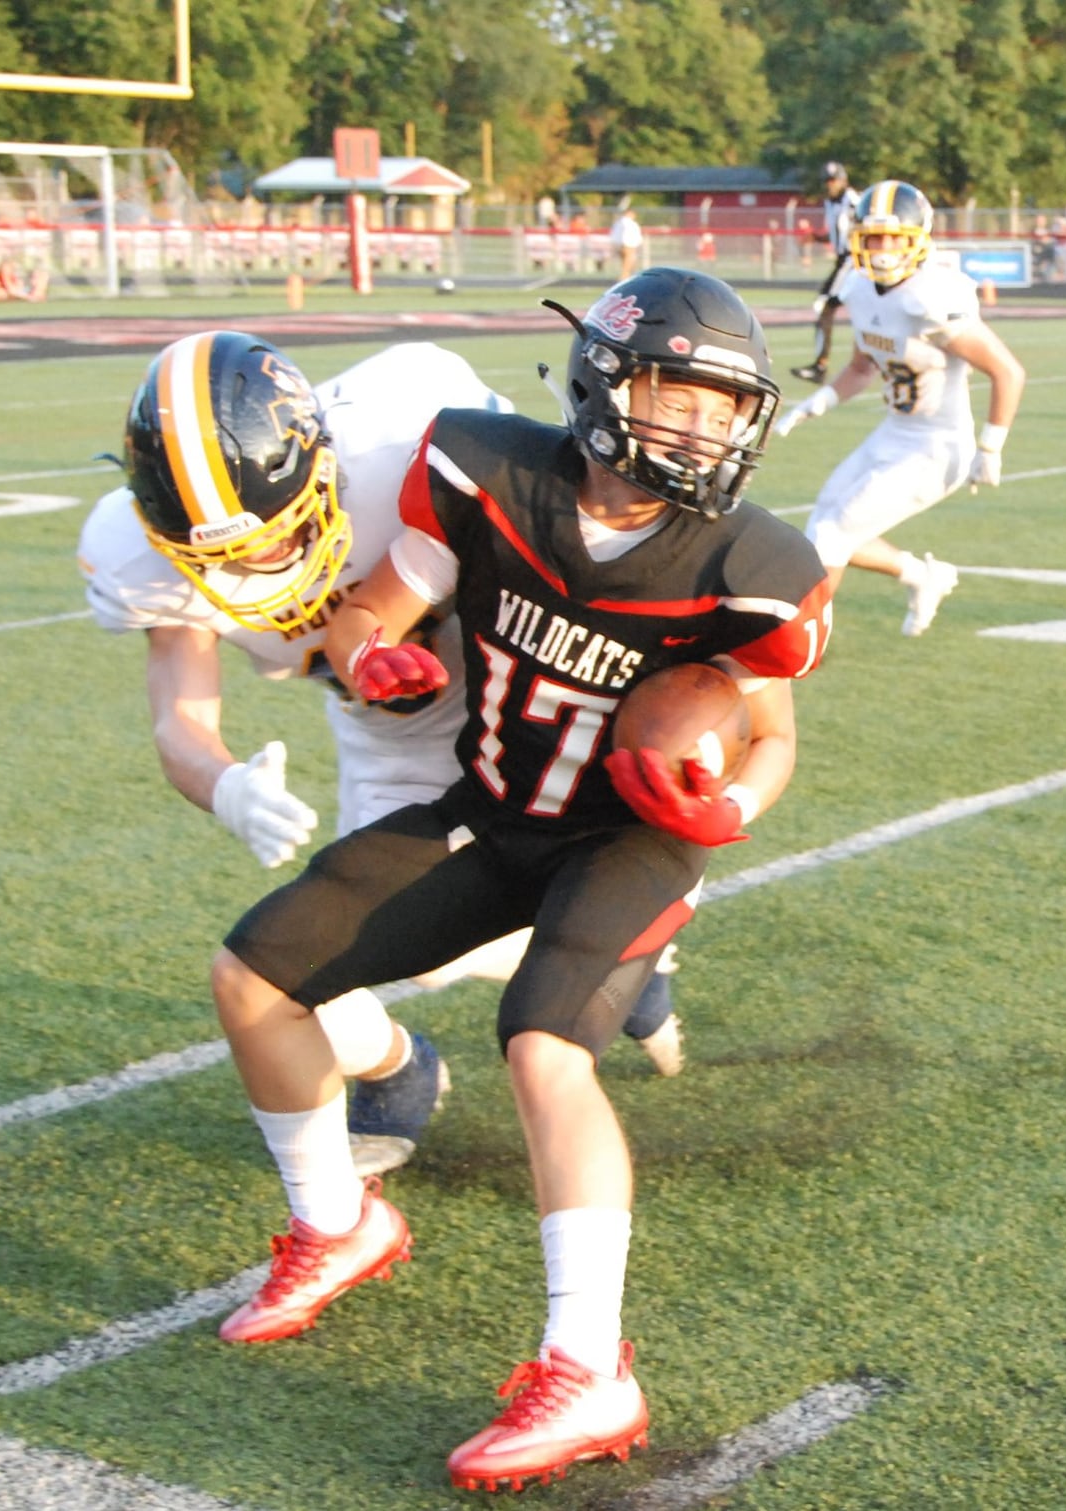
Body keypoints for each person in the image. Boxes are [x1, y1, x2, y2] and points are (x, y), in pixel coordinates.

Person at [205, 268, 833, 1491]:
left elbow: (775, 737)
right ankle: (338, 1224)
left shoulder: (750, 561)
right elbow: (368, 609)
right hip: (494, 815)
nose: (704, 428)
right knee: (254, 977)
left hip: (632, 839)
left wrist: (728, 804)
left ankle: (588, 1365)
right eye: (679, 395)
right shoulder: (488, 473)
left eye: (724, 408)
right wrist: (372, 653)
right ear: (606, 380)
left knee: (541, 1045)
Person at [77, 336, 686, 1169]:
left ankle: (615, 947)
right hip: (386, 720)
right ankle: (407, 1065)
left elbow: (559, 517)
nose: (261, 566)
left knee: (561, 856)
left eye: (277, 532)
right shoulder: (138, 552)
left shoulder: (405, 425)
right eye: (222, 556)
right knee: (329, 952)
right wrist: (225, 787)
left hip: (508, 666)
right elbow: (178, 721)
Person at [775, 180, 1027, 637]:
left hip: (938, 447)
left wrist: (990, 449)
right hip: (894, 433)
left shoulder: (930, 297)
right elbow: (861, 367)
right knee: (823, 524)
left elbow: (1007, 371)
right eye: (874, 237)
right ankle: (923, 576)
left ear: (919, 240)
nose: (884, 249)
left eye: (896, 238)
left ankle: (798, 639)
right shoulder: (860, 287)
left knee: (831, 534)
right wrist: (819, 401)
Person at [791, 160, 860, 384]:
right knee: (831, 309)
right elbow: (835, 235)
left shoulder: (853, 201)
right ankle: (821, 365)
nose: (830, 185)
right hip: (843, 261)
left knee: (825, 306)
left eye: (834, 180)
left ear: (843, 180)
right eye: (827, 181)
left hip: (853, 261)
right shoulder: (830, 204)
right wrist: (816, 237)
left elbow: (864, 225)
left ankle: (821, 366)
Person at [608, 202, 643, 280]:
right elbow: (632, 236)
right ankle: (624, 278)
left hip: (620, 245)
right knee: (628, 264)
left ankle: (627, 277)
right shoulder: (630, 223)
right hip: (628, 245)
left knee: (626, 263)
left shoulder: (618, 222)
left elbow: (613, 235)